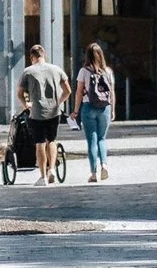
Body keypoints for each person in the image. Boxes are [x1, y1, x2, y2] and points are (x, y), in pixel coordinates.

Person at [13, 44, 70, 185]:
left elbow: (19, 94)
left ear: (32, 57)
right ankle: (52, 170)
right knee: (52, 140)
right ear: (44, 55)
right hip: (54, 111)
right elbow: (68, 90)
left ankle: (43, 176)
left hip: (36, 112)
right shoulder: (56, 69)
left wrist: (26, 105)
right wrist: (59, 102)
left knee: (39, 143)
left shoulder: (28, 72)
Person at [71, 42, 116, 183]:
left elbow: (79, 92)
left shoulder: (83, 71)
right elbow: (112, 92)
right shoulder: (108, 72)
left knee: (92, 140)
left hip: (88, 107)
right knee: (102, 138)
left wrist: (76, 111)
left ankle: (94, 173)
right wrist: (112, 109)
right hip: (105, 108)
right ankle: (104, 165)